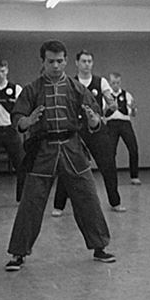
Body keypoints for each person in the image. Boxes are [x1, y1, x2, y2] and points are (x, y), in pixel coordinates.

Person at [5, 40, 115, 271]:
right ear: (43, 62)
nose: (55, 66)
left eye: (59, 61)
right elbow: (18, 118)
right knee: (31, 202)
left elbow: (96, 117)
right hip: (42, 152)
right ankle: (18, 253)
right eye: (50, 61)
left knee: (88, 198)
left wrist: (94, 120)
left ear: (66, 61)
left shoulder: (77, 88)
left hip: (73, 149)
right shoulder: (32, 89)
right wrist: (27, 121)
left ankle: (99, 246)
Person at [51, 50, 126, 216]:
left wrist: (111, 104)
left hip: (97, 129)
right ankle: (58, 205)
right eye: (84, 61)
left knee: (108, 165)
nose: (87, 64)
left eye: (89, 61)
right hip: (76, 130)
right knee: (67, 166)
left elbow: (109, 100)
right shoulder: (70, 83)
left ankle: (115, 202)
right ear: (77, 63)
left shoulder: (101, 82)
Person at [0, 58, 24, 202]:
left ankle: (22, 198)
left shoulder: (16, 89)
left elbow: (23, 108)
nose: (0, 74)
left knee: (22, 165)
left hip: (11, 131)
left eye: (2, 71)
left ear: (7, 71)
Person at [105, 72, 141, 185]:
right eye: (113, 83)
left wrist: (133, 109)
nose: (115, 85)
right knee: (110, 151)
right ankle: (111, 176)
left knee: (133, 148)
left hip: (125, 123)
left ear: (120, 82)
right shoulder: (106, 96)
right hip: (111, 124)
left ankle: (134, 176)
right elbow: (101, 112)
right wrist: (108, 108)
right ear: (109, 83)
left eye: (117, 83)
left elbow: (133, 113)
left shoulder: (127, 95)